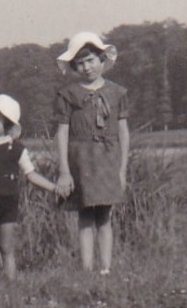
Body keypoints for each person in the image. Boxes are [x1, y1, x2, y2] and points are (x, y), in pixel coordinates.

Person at [54, 32, 130, 275]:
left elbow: (123, 133)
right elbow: (62, 132)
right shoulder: (69, 94)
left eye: (91, 60)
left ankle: (105, 269)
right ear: (74, 66)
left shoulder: (117, 92)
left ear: (102, 59)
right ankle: (87, 270)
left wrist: (122, 170)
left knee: (105, 215)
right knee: (85, 215)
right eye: (80, 63)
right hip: (82, 158)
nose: (87, 67)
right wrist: (64, 170)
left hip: (108, 157)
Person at [0, 93, 58, 280]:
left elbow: (31, 174)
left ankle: (11, 282)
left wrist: (54, 188)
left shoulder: (17, 149)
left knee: (6, 248)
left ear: (7, 123)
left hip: (8, 203)